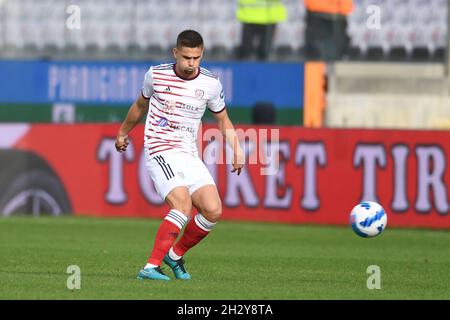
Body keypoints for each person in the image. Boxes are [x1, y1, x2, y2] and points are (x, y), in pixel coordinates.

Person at [115, 30, 244, 281]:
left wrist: (237, 149)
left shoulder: (210, 84)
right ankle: (150, 268)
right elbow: (140, 106)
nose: (191, 63)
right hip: (160, 148)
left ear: (202, 54)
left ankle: (173, 256)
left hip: (189, 154)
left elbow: (223, 119)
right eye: (186, 57)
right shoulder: (156, 75)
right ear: (176, 53)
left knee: (213, 210)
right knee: (182, 205)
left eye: (196, 58)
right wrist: (122, 132)